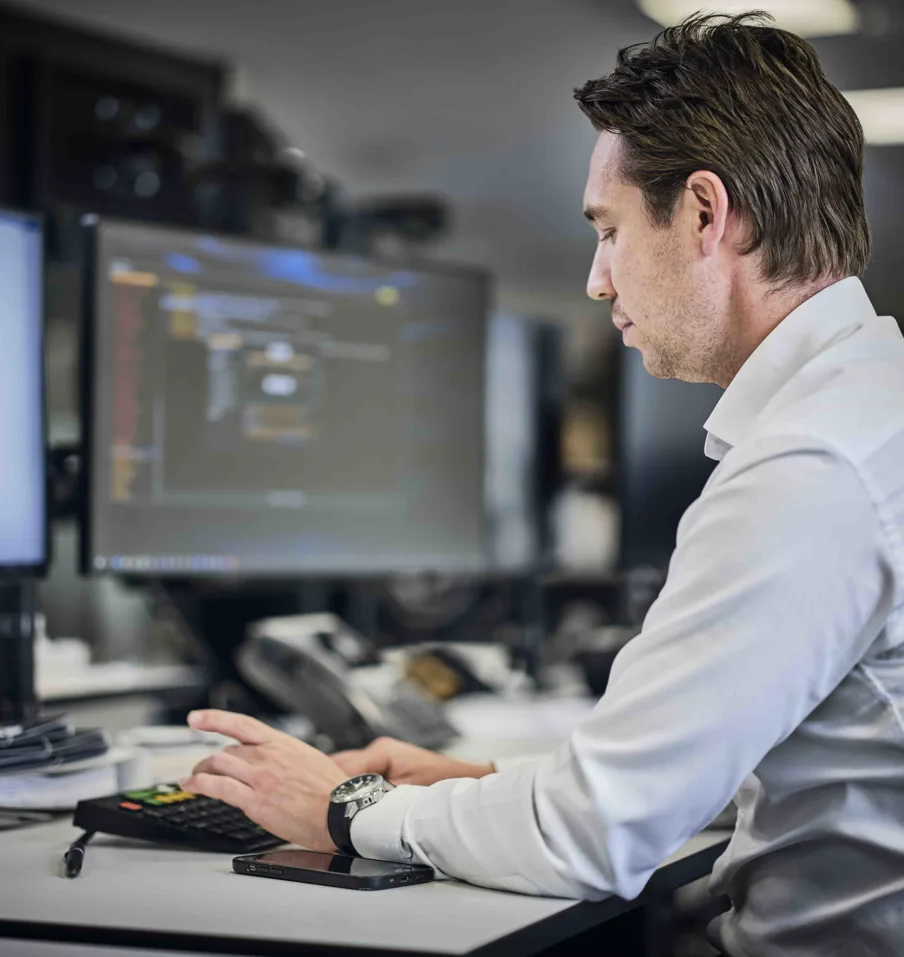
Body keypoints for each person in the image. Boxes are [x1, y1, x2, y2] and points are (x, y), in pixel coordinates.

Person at [181, 13, 904, 956]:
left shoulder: (809, 465)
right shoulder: (868, 406)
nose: (599, 281)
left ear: (704, 212)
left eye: (608, 232)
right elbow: (746, 749)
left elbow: (592, 836)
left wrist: (350, 806)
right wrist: (477, 780)